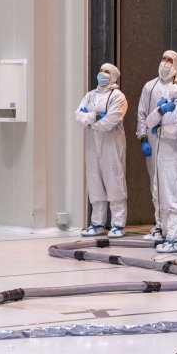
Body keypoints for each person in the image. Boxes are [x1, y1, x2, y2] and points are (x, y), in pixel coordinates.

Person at [75, 63, 128, 238]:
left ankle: (118, 224)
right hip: (92, 144)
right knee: (94, 180)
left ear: (113, 76)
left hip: (111, 144)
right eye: (101, 70)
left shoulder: (118, 97)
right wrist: (95, 116)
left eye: (106, 71)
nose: (102, 74)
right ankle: (97, 223)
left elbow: (110, 121)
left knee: (114, 180)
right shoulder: (90, 96)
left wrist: (88, 118)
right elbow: (78, 116)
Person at [137, 50, 177, 242]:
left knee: (172, 185)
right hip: (154, 139)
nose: (164, 63)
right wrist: (143, 138)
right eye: (163, 58)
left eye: (169, 60)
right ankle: (159, 224)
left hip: (174, 141)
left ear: (176, 65)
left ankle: (176, 228)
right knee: (155, 183)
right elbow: (142, 113)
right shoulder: (150, 86)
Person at [145, 78, 177, 252]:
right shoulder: (166, 106)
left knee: (174, 198)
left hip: (175, 158)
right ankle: (168, 234)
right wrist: (160, 110)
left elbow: (174, 132)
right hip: (162, 157)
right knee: (164, 199)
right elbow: (149, 122)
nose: (176, 86)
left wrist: (159, 130)